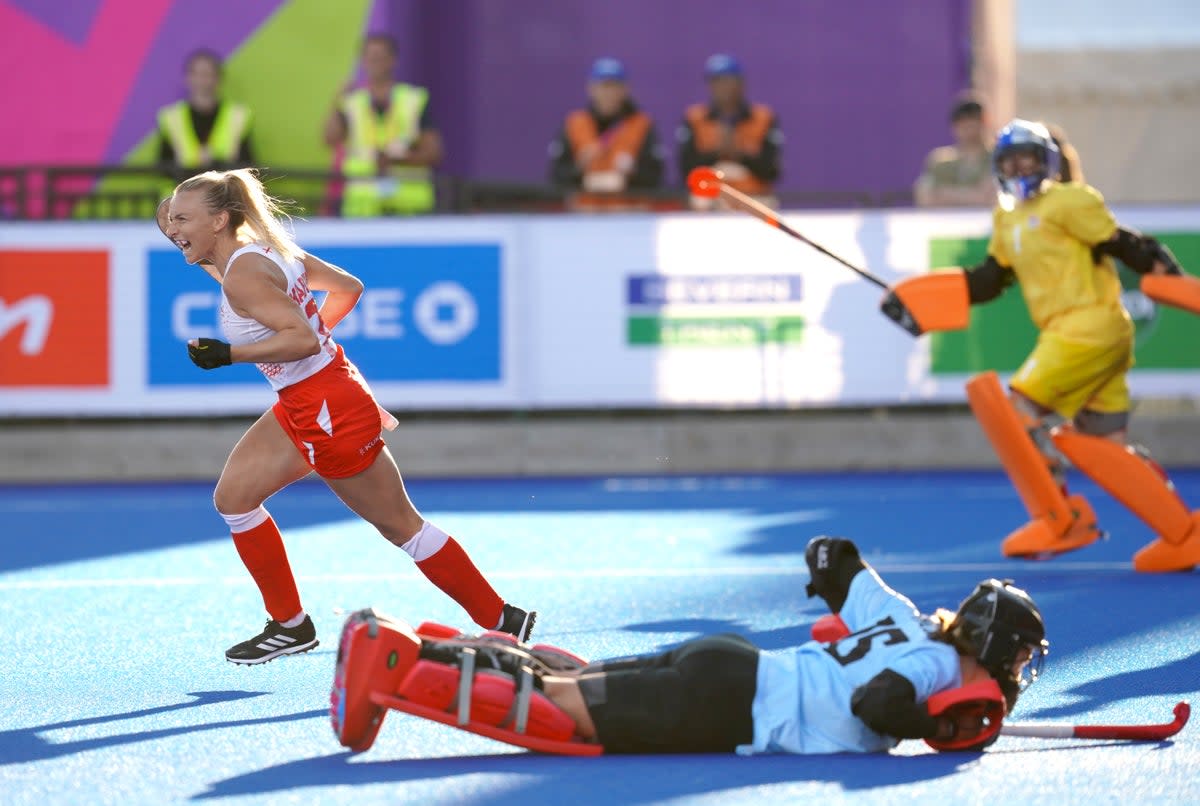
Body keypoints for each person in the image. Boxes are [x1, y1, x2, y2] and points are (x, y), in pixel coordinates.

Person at [158, 170, 534, 664]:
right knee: (234, 498)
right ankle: (291, 625)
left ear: (221, 219)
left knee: (402, 526)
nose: (174, 229)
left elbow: (303, 338)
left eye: (184, 219)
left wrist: (229, 354)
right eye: (171, 223)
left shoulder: (244, 275)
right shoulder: (263, 252)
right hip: (314, 393)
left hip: (325, 405)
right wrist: (303, 342)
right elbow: (348, 289)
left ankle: (503, 621)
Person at [332, 536, 1046, 756]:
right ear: (992, 644)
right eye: (1014, 658)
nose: (1013, 672)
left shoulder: (903, 618)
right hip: (735, 707)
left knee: (570, 677)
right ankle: (393, 662)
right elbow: (877, 701)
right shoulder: (936, 664)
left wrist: (832, 602)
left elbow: (834, 557)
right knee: (563, 713)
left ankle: (433, 651)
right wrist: (933, 730)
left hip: (729, 663)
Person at [881, 119, 1200, 572]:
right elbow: (990, 280)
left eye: (1026, 158)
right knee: (1104, 445)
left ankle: (1060, 518)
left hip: (1086, 328)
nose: (1017, 167)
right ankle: (1183, 533)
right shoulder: (1006, 218)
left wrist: (1162, 267)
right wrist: (916, 301)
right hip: (1088, 336)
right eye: (1008, 161)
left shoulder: (1069, 200)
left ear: (1047, 161)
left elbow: (1119, 243)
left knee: (1017, 411)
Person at [324, 33, 442, 217]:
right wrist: (336, 100)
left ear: (392, 60)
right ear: (363, 61)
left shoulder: (413, 99)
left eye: (380, 57)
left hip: (408, 206)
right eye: (370, 58)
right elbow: (330, 139)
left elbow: (433, 152)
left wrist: (400, 159)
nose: (375, 63)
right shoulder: (352, 102)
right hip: (362, 208)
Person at [547, 57, 664, 210]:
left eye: (614, 86)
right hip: (583, 217)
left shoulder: (642, 125)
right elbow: (556, 176)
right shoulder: (574, 124)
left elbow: (655, 177)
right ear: (591, 89)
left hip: (630, 216)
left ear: (625, 90)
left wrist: (631, 176)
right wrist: (579, 171)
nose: (608, 93)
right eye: (603, 86)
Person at [678, 54, 782, 210]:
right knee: (699, 202)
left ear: (741, 83)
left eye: (727, 80)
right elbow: (687, 169)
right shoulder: (695, 118)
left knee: (766, 205)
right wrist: (716, 153)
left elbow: (772, 170)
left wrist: (740, 154)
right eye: (716, 81)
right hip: (711, 196)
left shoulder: (763, 118)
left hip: (754, 195)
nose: (722, 87)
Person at [157, 49, 254, 183]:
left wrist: (216, 165)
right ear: (187, 78)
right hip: (182, 195)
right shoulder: (171, 117)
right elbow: (163, 166)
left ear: (218, 79)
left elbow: (248, 165)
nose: (202, 80)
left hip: (223, 196)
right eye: (197, 74)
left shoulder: (238, 115)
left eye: (207, 74)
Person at [913, 94, 993, 208]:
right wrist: (974, 195)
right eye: (962, 120)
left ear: (985, 122)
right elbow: (925, 199)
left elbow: (989, 198)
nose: (968, 125)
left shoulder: (998, 158)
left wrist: (945, 194)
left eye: (973, 118)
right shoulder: (940, 161)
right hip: (944, 224)